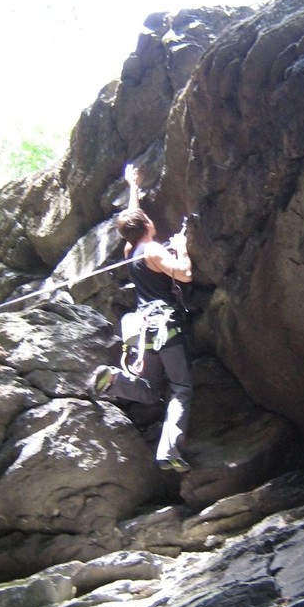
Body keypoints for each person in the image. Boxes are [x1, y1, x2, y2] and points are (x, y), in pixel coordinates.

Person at [88, 163, 194, 473]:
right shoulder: (154, 250)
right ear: (146, 225)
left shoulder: (130, 249)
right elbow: (185, 275)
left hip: (144, 329)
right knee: (181, 389)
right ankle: (170, 451)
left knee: (150, 389)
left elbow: (132, 220)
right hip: (167, 327)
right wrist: (182, 248)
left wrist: (133, 188)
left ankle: (116, 379)